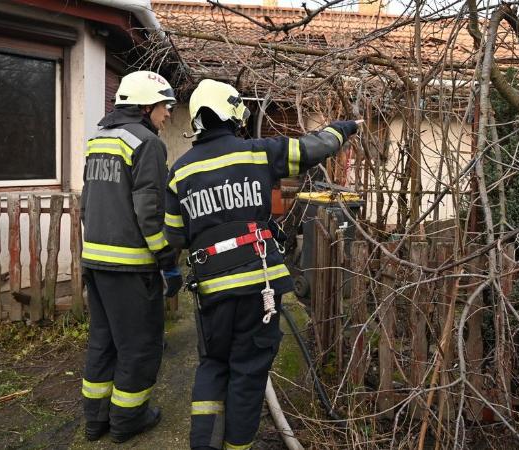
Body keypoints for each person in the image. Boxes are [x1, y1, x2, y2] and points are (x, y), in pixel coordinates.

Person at [164, 79, 358, 450]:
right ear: (232, 113)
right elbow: (317, 146)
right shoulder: (260, 152)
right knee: (249, 371)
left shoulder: (180, 171)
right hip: (260, 288)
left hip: (211, 290)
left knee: (213, 364)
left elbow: (174, 236)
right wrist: (343, 128)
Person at [80, 70, 183, 443]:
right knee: (139, 347)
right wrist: (167, 262)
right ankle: (127, 421)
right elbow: (149, 212)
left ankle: (96, 422)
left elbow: (86, 203)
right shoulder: (147, 143)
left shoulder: (98, 139)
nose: (167, 114)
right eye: (164, 106)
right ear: (145, 106)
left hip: (95, 261)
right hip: (130, 267)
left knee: (103, 342)